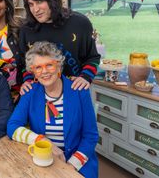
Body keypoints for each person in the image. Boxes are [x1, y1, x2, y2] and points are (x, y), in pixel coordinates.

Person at [7, 41, 98, 178]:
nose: (44, 72)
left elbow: (91, 136)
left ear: (59, 66)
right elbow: (12, 127)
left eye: (49, 65)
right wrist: (42, 140)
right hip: (44, 160)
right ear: (33, 72)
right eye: (38, 67)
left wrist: (70, 166)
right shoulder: (30, 92)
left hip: (78, 163)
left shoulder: (79, 91)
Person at [19, 0, 100, 93]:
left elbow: (93, 57)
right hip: (39, 94)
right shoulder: (26, 29)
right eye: (31, 4)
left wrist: (85, 77)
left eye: (39, 2)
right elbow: (24, 64)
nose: (35, 9)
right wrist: (28, 81)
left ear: (52, 1)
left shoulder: (80, 23)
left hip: (74, 91)